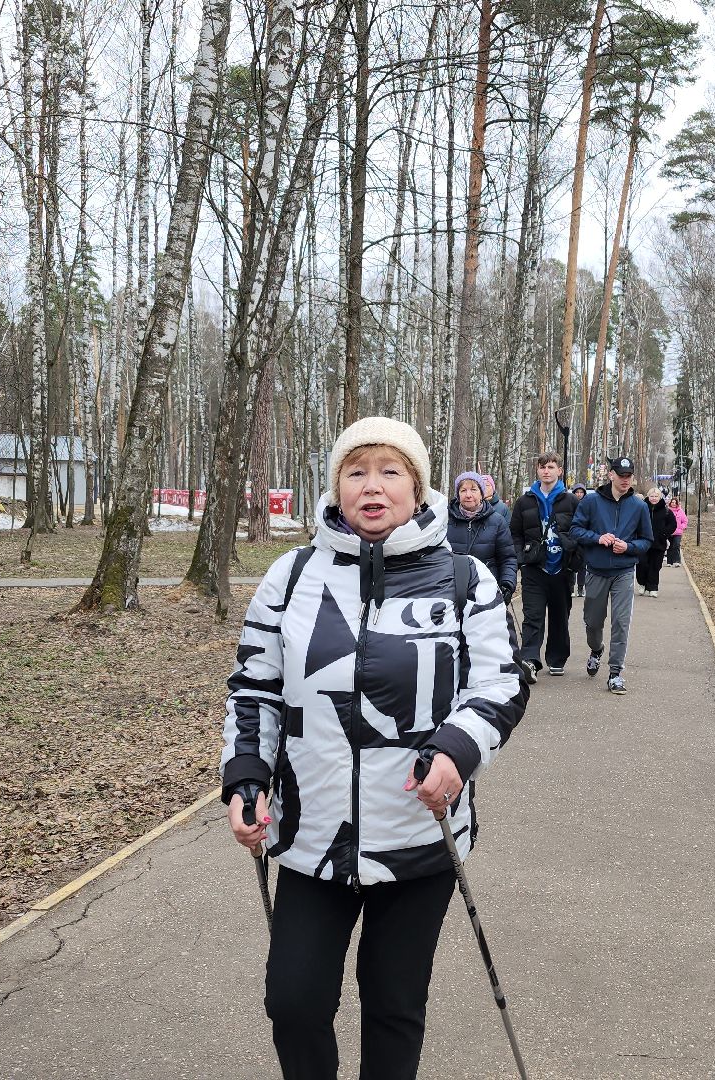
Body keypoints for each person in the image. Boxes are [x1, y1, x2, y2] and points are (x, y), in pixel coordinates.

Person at [223, 416, 529, 1080]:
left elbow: (502, 682)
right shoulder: (290, 577)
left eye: (390, 471)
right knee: (294, 1002)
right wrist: (246, 775)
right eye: (356, 471)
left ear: (417, 489)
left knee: (393, 1006)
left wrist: (455, 750)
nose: (372, 486)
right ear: (336, 486)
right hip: (311, 838)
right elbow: (255, 688)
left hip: (419, 836)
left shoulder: (465, 580)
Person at [569, 456, 654, 695]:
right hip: (596, 570)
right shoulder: (591, 501)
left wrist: (628, 547)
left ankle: (615, 672)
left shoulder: (639, 506)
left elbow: (647, 540)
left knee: (621, 622)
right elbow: (575, 529)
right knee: (593, 622)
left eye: (629, 476)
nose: (626, 480)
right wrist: (597, 538)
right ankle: (596, 650)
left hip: (624, 571)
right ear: (611, 475)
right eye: (621, 475)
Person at [508, 452, 580, 677]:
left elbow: (581, 531)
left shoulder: (571, 501)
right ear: (537, 471)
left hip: (562, 569)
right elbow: (515, 533)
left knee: (560, 616)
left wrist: (574, 559)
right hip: (534, 568)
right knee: (532, 616)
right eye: (542, 467)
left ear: (559, 470)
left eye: (550, 467)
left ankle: (557, 658)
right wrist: (521, 558)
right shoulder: (524, 501)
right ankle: (529, 660)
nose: (546, 471)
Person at [449, 470, 518, 597]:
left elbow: (507, 558)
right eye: (463, 490)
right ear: (458, 495)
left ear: (481, 494)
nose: (468, 495)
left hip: (487, 592)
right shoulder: (445, 520)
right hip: (451, 591)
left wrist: (507, 584)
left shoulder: (497, 521)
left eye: (473, 489)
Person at [638, 487, 677, 597]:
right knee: (642, 564)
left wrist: (664, 534)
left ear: (660, 497)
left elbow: (673, 524)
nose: (654, 498)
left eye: (656, 496)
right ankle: (642, 583)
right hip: (643, 542)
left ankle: (653, 587)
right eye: (652, 496)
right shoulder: (642, 508)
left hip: (658, 543)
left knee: (655, 566)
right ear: (648, 497)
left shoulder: (666, 510)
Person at [569, 482, 590, 597]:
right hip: (572, 536)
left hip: (583, 537)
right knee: (570, 563)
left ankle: (581, 587)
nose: (579, 494)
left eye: (581, 492)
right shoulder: (570, 504)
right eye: (577, 492)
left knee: (582, 564)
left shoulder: (587, 505)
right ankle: (571, 587)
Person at [666, 496, 688, 567]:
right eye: (672, 502)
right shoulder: (667, 511)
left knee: (676, 545)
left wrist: (682, 527)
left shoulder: (680, 511)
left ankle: (677, 561)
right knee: (670, 546)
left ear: (677, 503)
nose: (673, 504)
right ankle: (669, 561)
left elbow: (685, 521)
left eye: (675, 503)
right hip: (669, 532)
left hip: (678, 532)